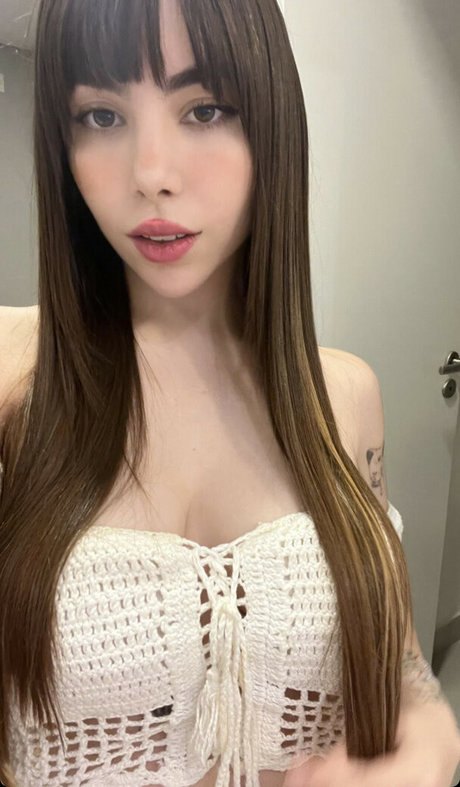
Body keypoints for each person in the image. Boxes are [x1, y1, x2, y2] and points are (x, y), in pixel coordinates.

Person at [0, 0, 459, 785]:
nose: (151, 174)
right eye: (102, 116)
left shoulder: (345, 396)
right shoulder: (17, 375)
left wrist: (432, 744)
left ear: (271, 122)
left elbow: (403, 667)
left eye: (204, 108)